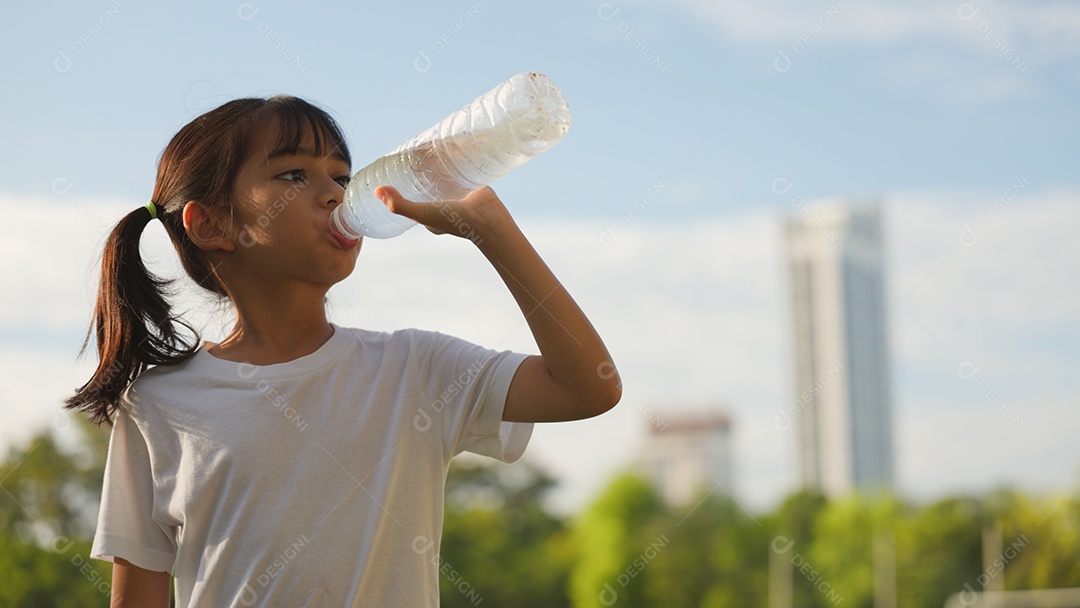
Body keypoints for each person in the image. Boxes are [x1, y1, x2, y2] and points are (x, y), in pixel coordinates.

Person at [66, 95, 621, 606]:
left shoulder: (416, 370)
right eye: (293, 174)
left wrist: (493, 233)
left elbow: (588, 386)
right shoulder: (159, 402)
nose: (335, 192)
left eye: (341, 175)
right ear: (211, 224)